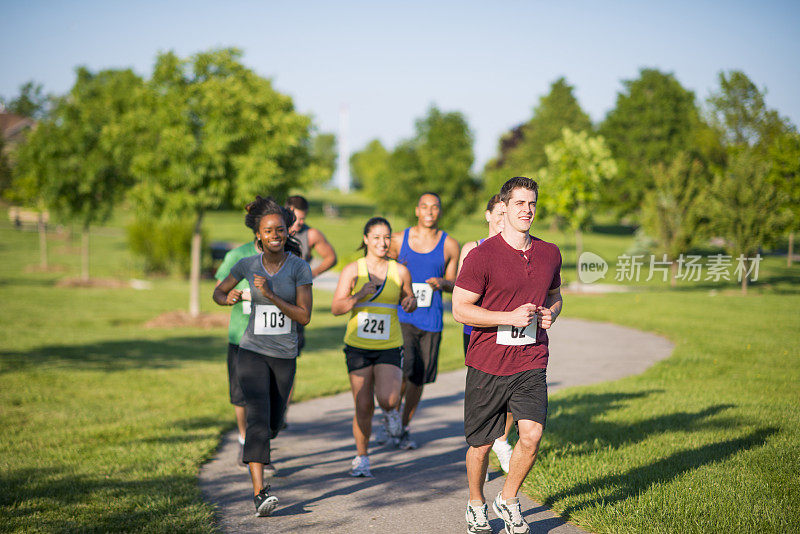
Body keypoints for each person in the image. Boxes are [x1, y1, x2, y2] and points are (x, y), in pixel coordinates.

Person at [453, 177, 563, 534]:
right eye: (520, 204)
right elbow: (460, 310)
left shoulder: (549, 253)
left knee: (530, 435)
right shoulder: (481, 255)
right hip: (487, 362)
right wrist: (508, 317)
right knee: (481, 445)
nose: (527, 211)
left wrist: (552, 313)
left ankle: (509, 498)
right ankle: (475, 503)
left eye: (532, 204)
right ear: (505, 206)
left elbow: (555, 295)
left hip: (531, 360)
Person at [213, 196, 313, 517]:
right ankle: (259, 493)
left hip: (284, 355)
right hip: (252, 352)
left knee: (273, 422)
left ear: (287, 232)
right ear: (258, 235)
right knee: (257, 419)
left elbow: (304, 316)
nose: (274, 235)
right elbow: (218, 291)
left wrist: (270, 295)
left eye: (280, 230)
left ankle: (264, 440)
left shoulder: (299, 267)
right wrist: (224, 296)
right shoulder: (246, 264)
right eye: (268, 230)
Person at [331, 217, 417, 477]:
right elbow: (336, 308)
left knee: (388, 398)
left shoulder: (399, 271)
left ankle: (391, 412)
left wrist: (410, 302)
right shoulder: (353, 270)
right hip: (357, 345)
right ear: (366, 239)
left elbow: (409, 298)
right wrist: (359, 295)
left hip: (389, 344)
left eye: (386, 237)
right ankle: (362, 457)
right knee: (363, 404)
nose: (382, 242)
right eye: (377, 237)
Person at [388, 192, 459, 449]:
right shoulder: (398, 240)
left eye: (435, 207)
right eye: (425, 207)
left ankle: (403, 425)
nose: (429, 212)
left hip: (431, 320)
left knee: (419, 377)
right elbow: (386, 272)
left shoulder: (450, 244)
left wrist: (443, 282)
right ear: (417, 210)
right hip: (402, 315)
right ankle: (392, 416)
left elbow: (454, 283)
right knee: (404, 371)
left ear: (439, 211)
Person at [456, 194, 515, 475]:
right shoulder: (473, 247)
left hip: (510, 329)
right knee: (486, 391)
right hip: (476, 331)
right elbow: (462, 291)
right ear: (488, 215)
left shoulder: (516, 248)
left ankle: (501, 439)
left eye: (508, 213)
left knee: (515, 388)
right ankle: (483, 440)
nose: (504, 219)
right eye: (499, 213)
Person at [214, 238, 257, 465]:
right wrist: (234, 295)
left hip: (273, 340)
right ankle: (244, 440)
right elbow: (221, 290)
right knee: (240, 395)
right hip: (241, 336)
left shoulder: (287, 255)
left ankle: (260, 440)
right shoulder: (238, 256)